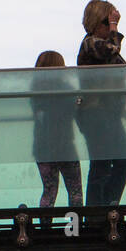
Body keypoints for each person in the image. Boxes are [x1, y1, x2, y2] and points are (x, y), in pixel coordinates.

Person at [76, 0, 126, 206]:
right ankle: (96, 214)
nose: (109, 27)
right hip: (95, 114)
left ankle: (107, 205)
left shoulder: (98, 46)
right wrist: (115, 27)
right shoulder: (90, 43)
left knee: (123, 160)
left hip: (109, 114)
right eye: (106, 22)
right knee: (101, 164)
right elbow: (111, 49)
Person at [31, 51, 83, 214]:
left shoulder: (35, 89)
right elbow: (74, 106)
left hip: (42, 147)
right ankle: (74, 230)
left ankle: (45, 230)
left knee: (49, 190)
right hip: (65, 146)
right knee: (75, 191)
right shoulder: (66, 89)